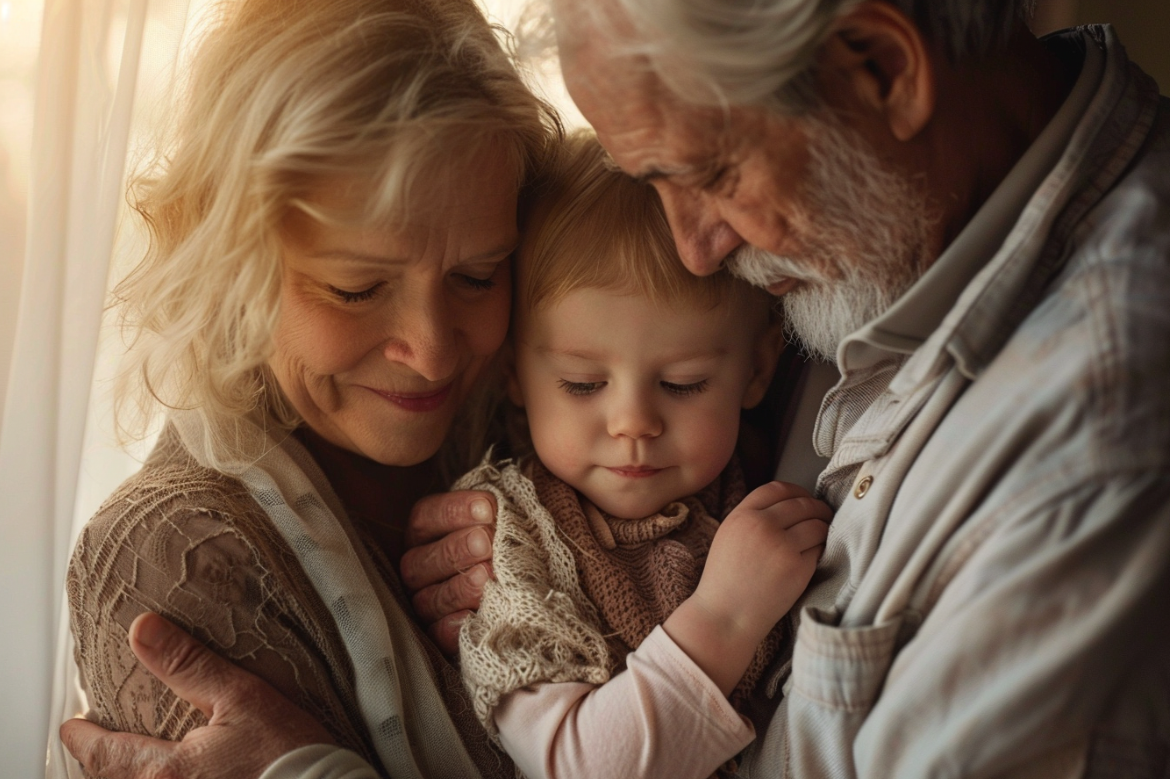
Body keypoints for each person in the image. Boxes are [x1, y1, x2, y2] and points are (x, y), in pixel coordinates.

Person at [62, 0, 1170, 777]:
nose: (693, 254)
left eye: (711, 172)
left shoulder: (1091, 437)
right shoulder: (866, 254)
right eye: (355, 285)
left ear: (882, 69)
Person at [57, 0, 558, 776]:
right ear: (230, 270)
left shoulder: (548, 422)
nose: (429, 352)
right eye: (356, 289)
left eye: (475, 275)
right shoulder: (174, 560)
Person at [455, 134, 830, 779]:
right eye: (582, 384)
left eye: (683, 384)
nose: (633, 423)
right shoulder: (509, 548)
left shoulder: (768, 463)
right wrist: (726, 616)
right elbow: (580, 765)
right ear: (514, 375)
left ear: (758, 370)